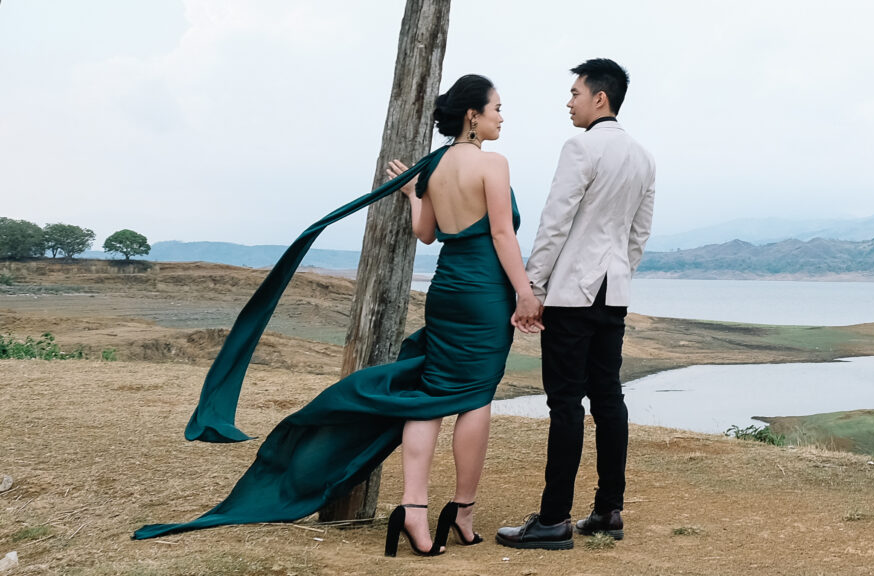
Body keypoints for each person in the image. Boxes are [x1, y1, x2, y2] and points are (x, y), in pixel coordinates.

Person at [133, 74, 540, 550]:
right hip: (484, 292)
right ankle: (462, 512)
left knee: (430, 396)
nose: (501, 117)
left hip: (446, 290)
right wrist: (524, 293)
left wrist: (414, 196)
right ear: (473, 114)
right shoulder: (493, 164)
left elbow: (426, 235)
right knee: (475, 397)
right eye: (496, 108)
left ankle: (413, 510)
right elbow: (501, 234)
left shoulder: (432, 169)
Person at [496, 58, 655, 550]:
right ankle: (608, 510)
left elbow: (555, 221)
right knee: (609, 399)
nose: (569, 103)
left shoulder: (581, 147)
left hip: (571, 295)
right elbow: (638, 234)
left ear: (599, 98)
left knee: (565, 403)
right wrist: (618, 273)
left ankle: (553, 520)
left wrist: (533, 289)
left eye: (575, 93)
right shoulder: (644, 157)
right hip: (613, 293)